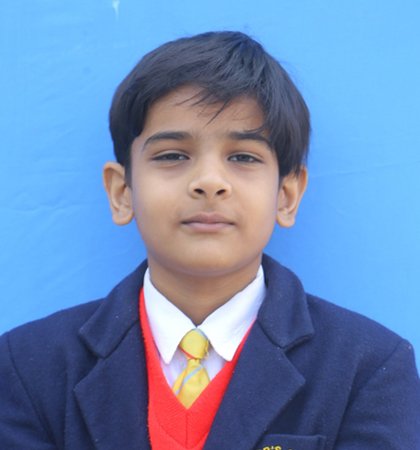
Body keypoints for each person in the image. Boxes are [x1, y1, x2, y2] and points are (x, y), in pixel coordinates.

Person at [0, 31, 419, 450]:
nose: (209, 181)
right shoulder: (28, 367)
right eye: (172, 155)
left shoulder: (367, 369)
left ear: (287, 196)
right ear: (122, 192)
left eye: (243, 157)